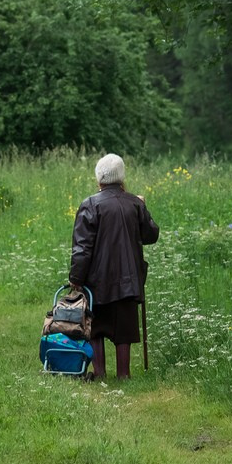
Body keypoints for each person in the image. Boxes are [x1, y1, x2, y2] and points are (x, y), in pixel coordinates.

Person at [69, 153, 159, 380]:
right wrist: (143, 208)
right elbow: (151, 234)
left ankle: (99, 372)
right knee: (124, 328)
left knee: (96, 327)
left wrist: (76, 278)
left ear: (99, 178)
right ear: (121, 178)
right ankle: (124, 374)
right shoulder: (134, 203)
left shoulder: (90, 205)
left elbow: (82, 247)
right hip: (129, 279)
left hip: (97, 280)